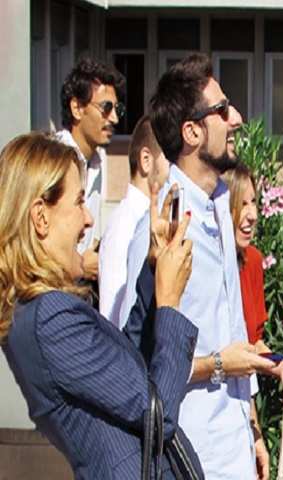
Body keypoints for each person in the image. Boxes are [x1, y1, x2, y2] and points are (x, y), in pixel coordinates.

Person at [0, 133, 202, 479]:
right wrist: (170, 303)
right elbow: (159, 416)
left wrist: (152, 275)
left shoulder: (42, 311)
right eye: (79, 202)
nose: (88, 220)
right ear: (41, 217)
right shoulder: (49, 318)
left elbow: (128, 369)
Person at [120, 53, 277, 479]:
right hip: (192, 456)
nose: (236, 119)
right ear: (191, 132)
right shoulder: (161, 227)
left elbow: (233, 329)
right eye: (222, 110)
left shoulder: (220, 204)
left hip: (235, 447)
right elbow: (138, 364)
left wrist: (253, 431)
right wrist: (219, 364)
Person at [222, 163, 283, 405]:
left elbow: (254, 344)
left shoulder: (252, 260)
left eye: (253, 202)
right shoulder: (202, 265)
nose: (252, 215)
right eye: (241, 204)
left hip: (241, 400)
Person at [56, 57, 125, 284]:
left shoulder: (96, 162)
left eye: (117, 109)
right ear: (77, 108)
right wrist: (79, 266)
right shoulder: (53, 161)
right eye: (106, 108)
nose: (114, 118)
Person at [99, 116, 170, 327]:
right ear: (146, 160)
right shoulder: (123, 225)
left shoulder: (149, 217)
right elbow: (112, 317)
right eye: (170, 158)